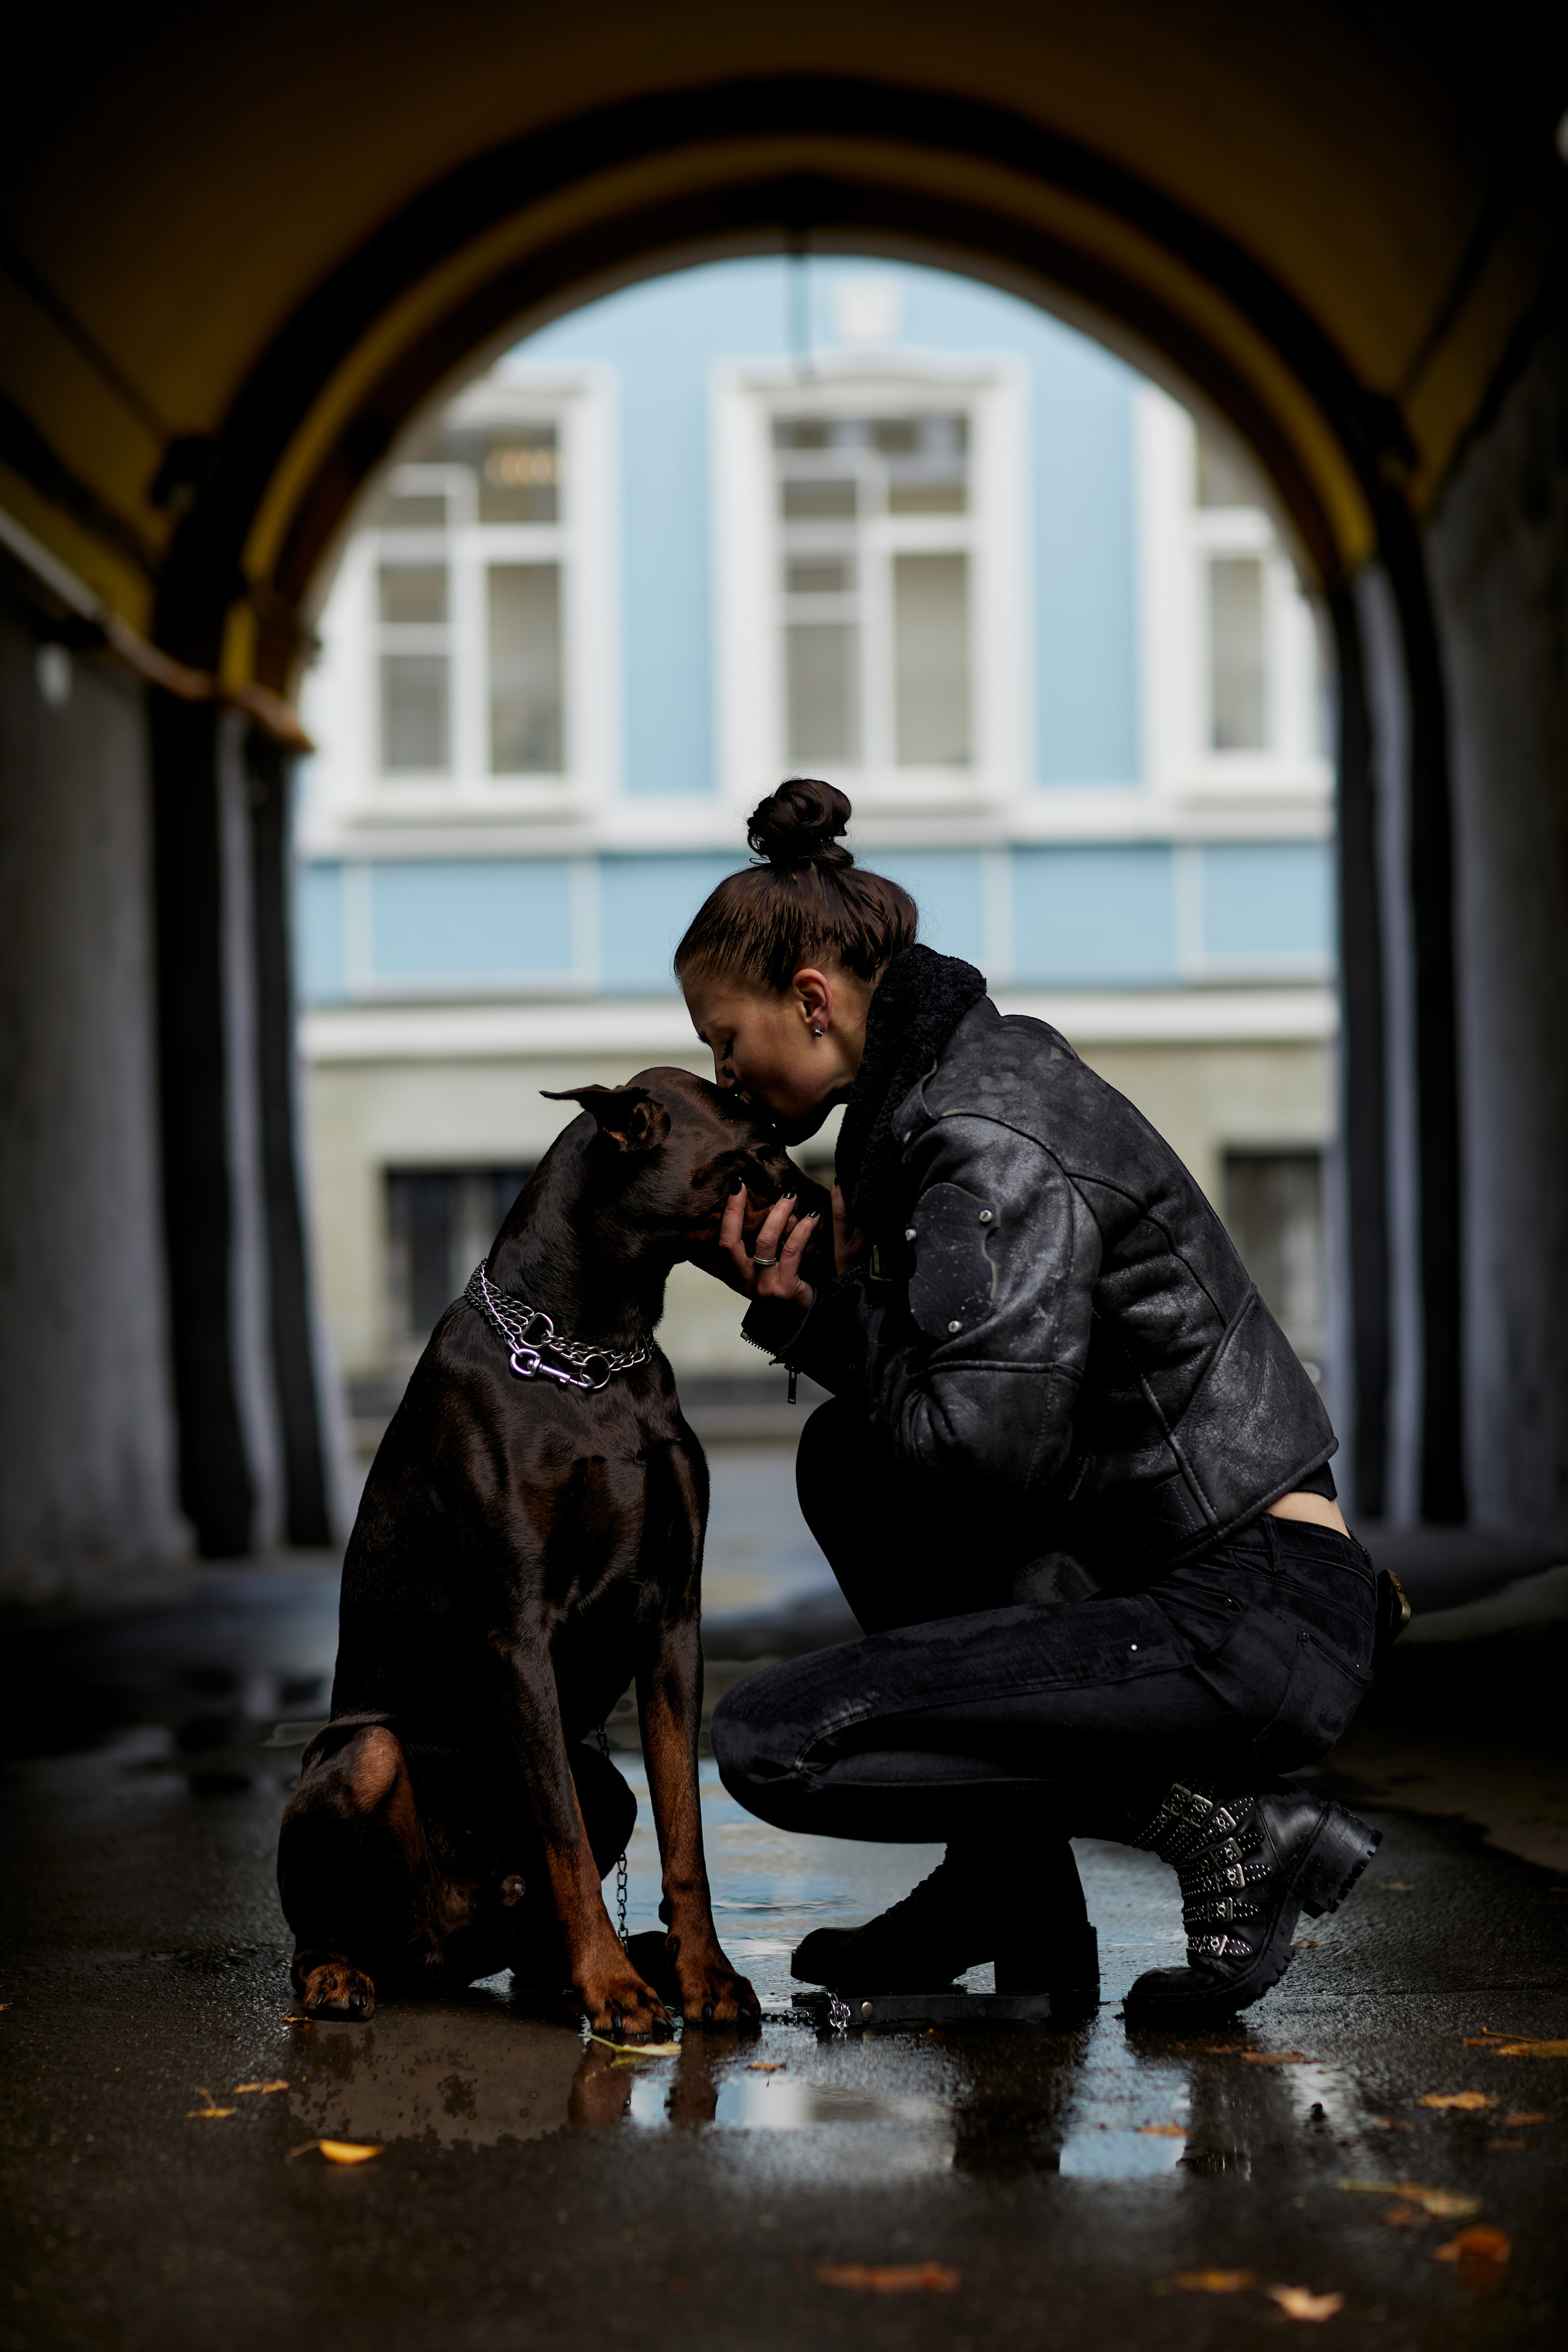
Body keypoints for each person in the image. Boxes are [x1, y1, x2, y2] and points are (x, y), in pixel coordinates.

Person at [679, 777, 1386, 2024]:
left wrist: (824, 1317)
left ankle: (1229, 1827)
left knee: (771, 1740)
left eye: (724, 1039)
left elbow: (985, 1456)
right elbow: (958, 1422)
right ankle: (1009, 1895)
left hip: (1248, 1607)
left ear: (810, 999)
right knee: (847, 1456)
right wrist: (811, 1315)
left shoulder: (983, 1132)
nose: (723, 1074)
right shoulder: (947, 1096)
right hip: (1176, 1582)